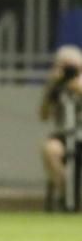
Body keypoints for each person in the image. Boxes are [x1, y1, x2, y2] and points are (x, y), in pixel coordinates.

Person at [39, 45, 82, 211]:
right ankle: (66, 194)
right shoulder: (56, 87)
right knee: (50, 150)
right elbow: (43, 115)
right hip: (64, 134)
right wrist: (51, 89)